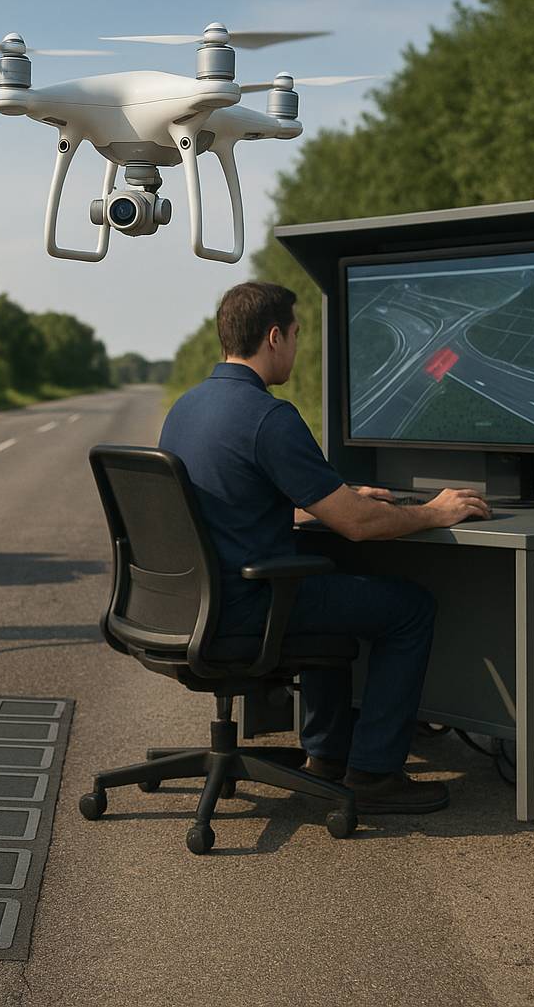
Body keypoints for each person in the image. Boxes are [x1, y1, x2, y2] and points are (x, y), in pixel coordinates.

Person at [158, 281, 491, 813]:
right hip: (245, 606)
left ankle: (327, 755)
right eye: (294, 334)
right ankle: (375, 773)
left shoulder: (187, 408)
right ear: (273, 337)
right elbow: (357, 526)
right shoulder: (269, 416)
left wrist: (331, 497)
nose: (297, 346)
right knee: (409, 608)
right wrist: (435, 511)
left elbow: (225, 500)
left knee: (320, 581)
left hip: (190, 602)